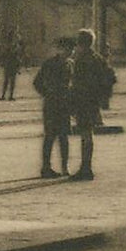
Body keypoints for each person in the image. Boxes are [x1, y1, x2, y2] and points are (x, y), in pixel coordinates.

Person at [69, 28, 116, 181]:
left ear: (81, 43)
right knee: (88, 133)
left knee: (85, 134)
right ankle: (86, 166)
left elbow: (77, 82)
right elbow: (111, 77)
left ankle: (86, 168)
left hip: (83, 100)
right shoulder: (97, 58)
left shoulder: (81, 59)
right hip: (93, 101)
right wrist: (102, 96)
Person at [34, 37, 75, 178]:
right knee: (50, 136)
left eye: (72, 49)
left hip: (64, 105)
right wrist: (47, 94)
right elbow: (37, 82)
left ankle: (65, 166)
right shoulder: (49, 64)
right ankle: (46, 167)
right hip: (52, 104)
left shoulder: (71, 65)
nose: (70, 52)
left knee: (64, 137)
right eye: (68, 49)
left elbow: (72, 84)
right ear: (61, 49)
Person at [0, 25, 24, 101]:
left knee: (8, 80)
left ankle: (7, 95)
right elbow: (14, 54)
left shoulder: (12, 45)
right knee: (9, 80)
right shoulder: (13, 46)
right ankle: (7, 95)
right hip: (11, 63)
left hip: (10, 63)